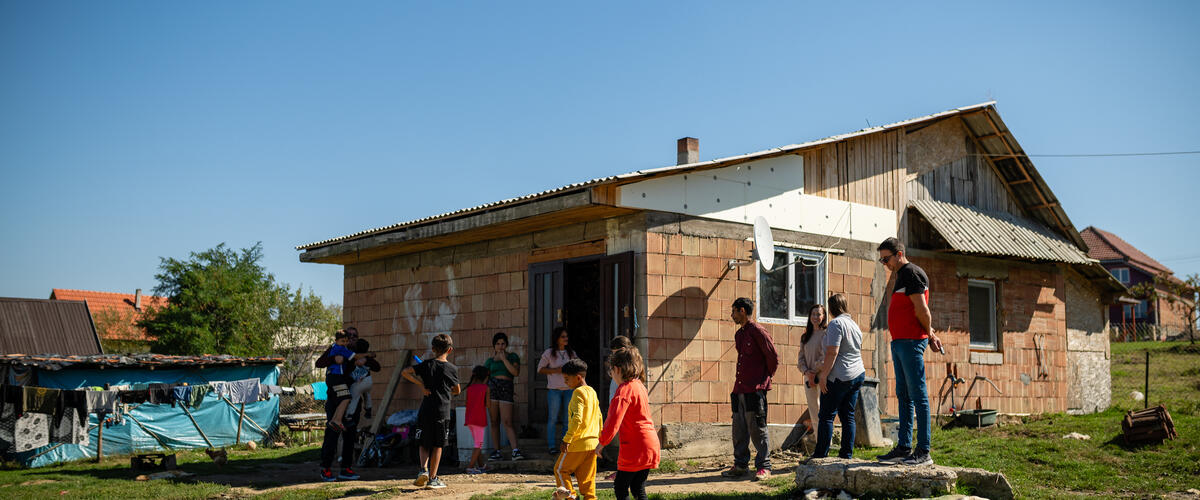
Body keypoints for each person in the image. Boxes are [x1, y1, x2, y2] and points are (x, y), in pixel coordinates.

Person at [875, 237, 943, 466]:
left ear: (899, 254)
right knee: (903, 396)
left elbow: (922, 310)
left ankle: (924, 451)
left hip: (912, 342)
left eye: (886, 258)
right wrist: (931, 333)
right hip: (900, 342)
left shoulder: (912, 273)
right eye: (882, 260)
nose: (885, 263)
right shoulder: (902, 275)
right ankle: (904, 447)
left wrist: (929, 334)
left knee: (918, 396)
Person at [721, 297, 779, 481]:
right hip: (739, 389)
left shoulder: (758, 331)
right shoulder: (740, 335)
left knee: (758, 429)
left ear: (742, 311)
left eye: (734, 311)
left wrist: (763, 379)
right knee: (739, 429)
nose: (732, 315)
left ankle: (764, 467)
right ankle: (740, 465)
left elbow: (773, 357)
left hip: (755, 389)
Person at [596, 347, 659, 500]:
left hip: (635, 446)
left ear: (616, 369)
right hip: (650, 443)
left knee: (621, 487)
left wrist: (601, 444)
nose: (611, 376)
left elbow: (613, 422)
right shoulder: (639, 386)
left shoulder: (623, 390)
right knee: (638, 487)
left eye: (611, 372)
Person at [402, 333, 461, 490]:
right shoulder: (452, 369)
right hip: (442, 411)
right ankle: (433, 478)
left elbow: (405, 372)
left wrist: (421, 385)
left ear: (433, 349)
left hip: (426, 410)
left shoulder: (426, 365)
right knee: (438, 445)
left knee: (424, 442)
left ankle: (423, 469)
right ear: (450, 350)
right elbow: (457, 390)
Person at [812, 294, 866, 459]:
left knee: (827, 415)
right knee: (848, 415)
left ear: (831, 308)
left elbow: (832, 352)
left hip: (840, 376)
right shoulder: (854, 324)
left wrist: (823, 376)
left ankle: (820, 456)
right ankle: (846, 455)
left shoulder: (836, 324)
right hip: (857, 373)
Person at [553, 359, 601, 500]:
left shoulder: (577, 393)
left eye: (567, 379)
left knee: (560, 470)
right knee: (587, 479)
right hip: (593, 443)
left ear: (578, 377)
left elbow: (577, 419)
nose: (565, 382)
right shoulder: (592, 392)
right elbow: (599, 416)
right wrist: (600, 439)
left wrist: (566, 439)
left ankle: (570, 497)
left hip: (578, 442)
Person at [316, 330, 359, 482]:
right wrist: (334, 359)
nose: (350, 340)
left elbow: (375, 366)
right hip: (335, 398)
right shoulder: (335, 350)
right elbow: (319, 363)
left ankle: (345, 469)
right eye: (348, 337)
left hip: (351, 400)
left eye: (353, 337)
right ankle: (326, 468)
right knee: (332, 433)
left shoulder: (356, 351)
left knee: (350, 434)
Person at [539, 326, 579, 455]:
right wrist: (557, 370)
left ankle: (564, 445)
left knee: (568, 419)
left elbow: (578, 366)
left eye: (566, 336)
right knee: (553, 419)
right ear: (557, 339)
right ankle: (551, 446)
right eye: (563, 337)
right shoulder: (549, 353)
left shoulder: (571, 353)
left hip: (569, 389)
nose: (566, 339)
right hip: (554, 390)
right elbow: (540, 369)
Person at [485, 332, 525, 461]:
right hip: (493, 388)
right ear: (494, 346)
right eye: (498, 344)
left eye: (503, 344)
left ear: (506, 345)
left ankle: (515, 450)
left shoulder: (512, 357)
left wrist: (503, 359)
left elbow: (515, 372)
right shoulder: (490, 361)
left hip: (506, 386)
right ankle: (497, 451)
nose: (500, 346)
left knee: (507, 421)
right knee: (494, 421)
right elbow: (485, 377)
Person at [796, 304, 828, 435]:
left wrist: (814, 371)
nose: (816, 317)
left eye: (819, 314)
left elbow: (825, 356)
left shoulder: (826, 334)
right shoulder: (805, 336)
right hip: (808, 377)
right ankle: (818, 440)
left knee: (823, 409)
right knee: (813, 410)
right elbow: (800, 359)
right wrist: (807, 372)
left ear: (824, 316)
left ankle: (826, 442)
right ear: (809, 317)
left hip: (822, 376)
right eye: (813, 314)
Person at [463, 365, 490, 474]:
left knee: (477, 443)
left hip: (469, 419)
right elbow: (488, 405)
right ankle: (470, 467)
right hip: (479, 419)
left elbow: (467, 403)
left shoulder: (469, 388)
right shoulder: (486, 388)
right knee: (478, 444)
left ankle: (481, 465)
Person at [326, 331, 356, 432]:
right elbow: (354, 356)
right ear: (336, 341)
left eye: (346, 341)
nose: (345, 343)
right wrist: (368, 355)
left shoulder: (335, 347)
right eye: (342, 341)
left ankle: (334, 420)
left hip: (333, 377)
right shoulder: (341, 349)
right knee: (346, 398)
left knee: (343, 398)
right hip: (336, 377)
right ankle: (338, 420)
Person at [345, 338, 379, 420]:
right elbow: (378, 368)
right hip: (368, 381)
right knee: (367, 394)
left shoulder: (354, 356)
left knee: (354, 397)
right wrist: (368, 358)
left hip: (358, 383)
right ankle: (368, 409)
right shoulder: (368, 358)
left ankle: (349, 415)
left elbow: (346, 367)